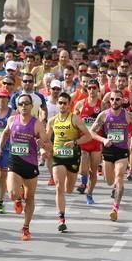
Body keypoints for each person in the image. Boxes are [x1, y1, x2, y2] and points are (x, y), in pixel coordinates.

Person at [0, 93, 50, 240]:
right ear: (17, 107)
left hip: (31, 163)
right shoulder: (12, 119)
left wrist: (42, 145)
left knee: (30, 198)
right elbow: (5, 133)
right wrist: (0, 148)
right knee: (12, 193)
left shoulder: (37, 123)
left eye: (26, 103)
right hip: (15, 161)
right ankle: (17, 198)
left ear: (32, 106)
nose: (24, 106)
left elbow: (48, 144)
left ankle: (26, 228)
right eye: (21, 104)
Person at [90, 89, 132, 221]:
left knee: (119, 178)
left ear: (123, 100)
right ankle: (114, 187)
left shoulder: (129, 116)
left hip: (122, 152)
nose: (114, 102)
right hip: (108, 151)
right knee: (109, 181)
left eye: (117, 99)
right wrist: (103, 140)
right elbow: (92, 132)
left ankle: (115, 208)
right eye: (112, 99)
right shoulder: (103, 115)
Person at [46, 92, 90, 232]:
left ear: (69, 104)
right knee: (59, 186)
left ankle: (67, 193)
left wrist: (75, 142)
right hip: (58, 155)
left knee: (68, 189)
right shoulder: (52, 121)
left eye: (65, 103)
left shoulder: (75, 119)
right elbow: (47, 139)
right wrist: (44, 149)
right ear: (57, 104)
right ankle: (61, 218)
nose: (62, 105)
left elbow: (88, 136)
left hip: (72, 156)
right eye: (60, 103)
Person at [73, 79, 103, 204]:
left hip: (96, 141)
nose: (92, 90)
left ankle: (89, 194)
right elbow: (74, 121)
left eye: (94, 88)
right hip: (84, 140)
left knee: (93, 170)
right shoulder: (80, 104)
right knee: (83, 166)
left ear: (98, 89)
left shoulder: (102, 105)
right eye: (89, 88)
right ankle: (83, 182)